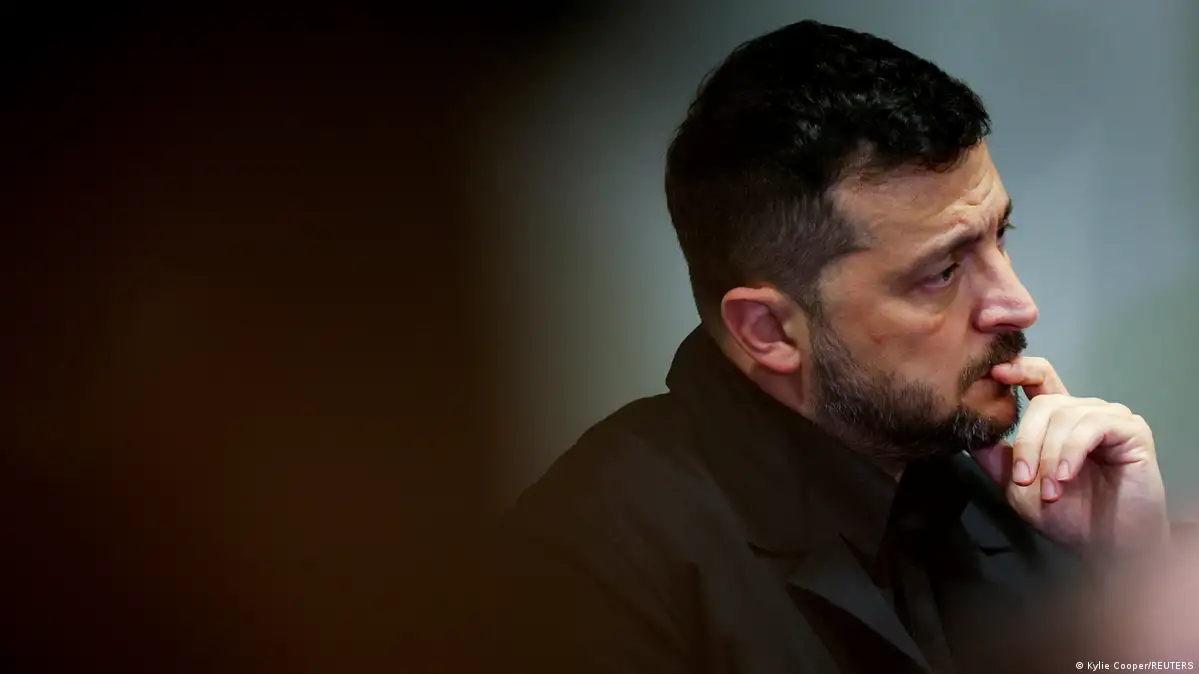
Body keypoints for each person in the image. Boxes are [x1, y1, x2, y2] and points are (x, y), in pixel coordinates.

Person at [486, 19, 1183, 674]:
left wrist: (1130, 567)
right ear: (768, 331)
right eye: (942, 272)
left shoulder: (1017, 497)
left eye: (999, 236)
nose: (1018, 304)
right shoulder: (595, 564)